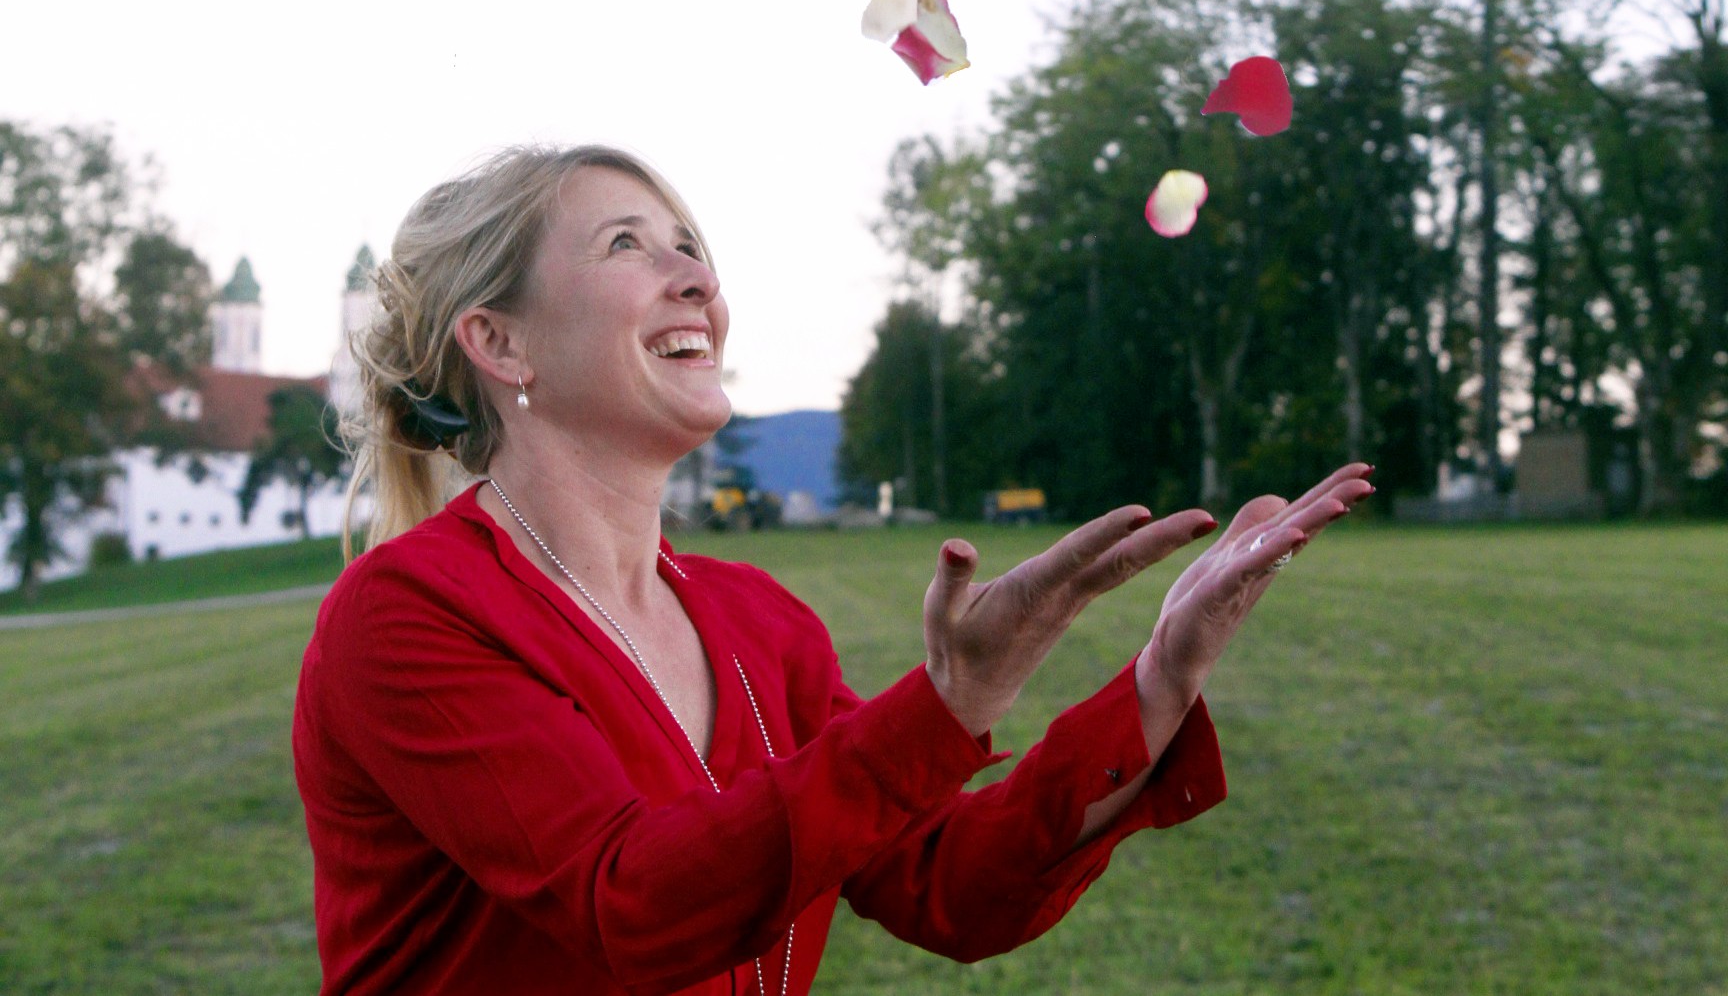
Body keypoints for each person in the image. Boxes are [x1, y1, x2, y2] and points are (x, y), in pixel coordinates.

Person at [292, 144, 1372, 995]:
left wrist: (1160, 681)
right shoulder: (406, 613)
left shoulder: (761, 623)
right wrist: (950, 703)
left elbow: (947, 882)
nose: (698, 279)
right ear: (502, 342)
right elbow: (632, 903)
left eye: (692, 247)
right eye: (628, 245)